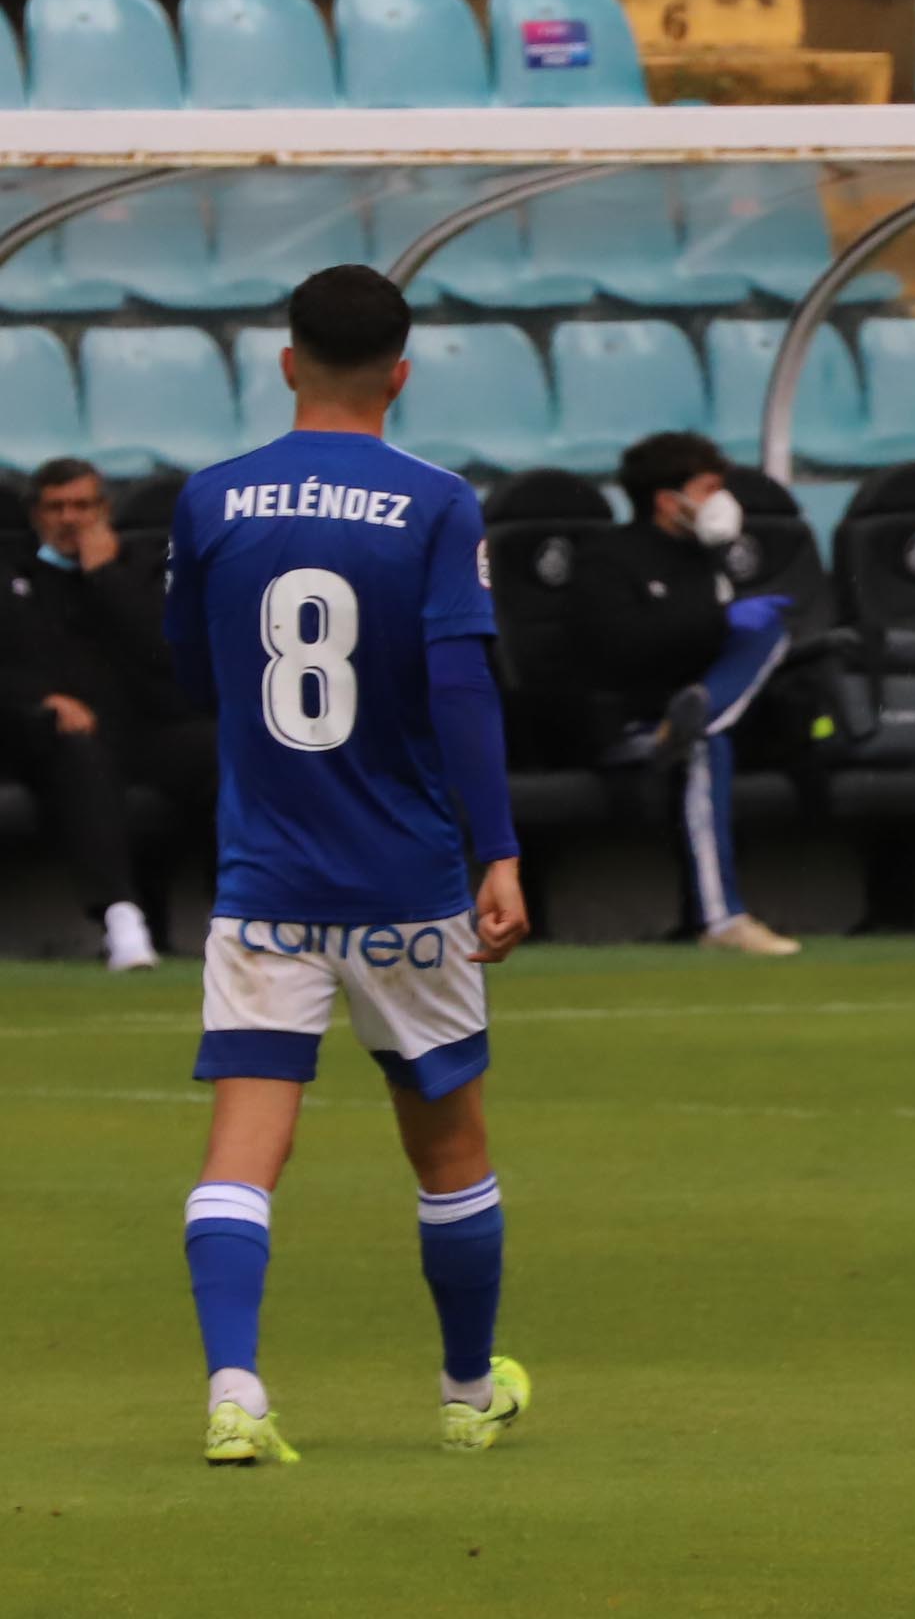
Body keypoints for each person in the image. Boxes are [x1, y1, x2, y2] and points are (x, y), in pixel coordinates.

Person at [162, 264, 531, 1466]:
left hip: (267, 879)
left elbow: (193, 670)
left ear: (284, 362)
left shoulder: (211, 499)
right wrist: (500, 849)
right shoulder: (437, 503)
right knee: (450, 1149)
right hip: (408, 884)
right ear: (403, 373)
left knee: (243, 1147)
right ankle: (469, 1392)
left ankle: (235, 1389)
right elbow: (465, 684)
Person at [563, 431, 803, 956]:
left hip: (697, 711)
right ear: (669, 500)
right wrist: (715, 620)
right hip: (628, 721)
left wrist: (727, 622)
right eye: (710, 488)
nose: (724, 502)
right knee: (702, 746)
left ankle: (703, 712)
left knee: (767, 631)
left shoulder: (714, 562)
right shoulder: (606, 559)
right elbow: (617, 651)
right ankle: (722, 921)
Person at [0, 457, 215, 969]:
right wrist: (43, 699)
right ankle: (122, 919)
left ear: (106, 509)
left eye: (82, 506)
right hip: (54, 739)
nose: (70, 518)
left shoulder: (144, 567)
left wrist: (105, 575)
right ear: (36, 515)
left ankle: (238, 914)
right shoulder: (13, 574)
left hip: (146, 730)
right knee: (81, 752)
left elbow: (168, 656)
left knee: (224, 750)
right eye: (56, 507)